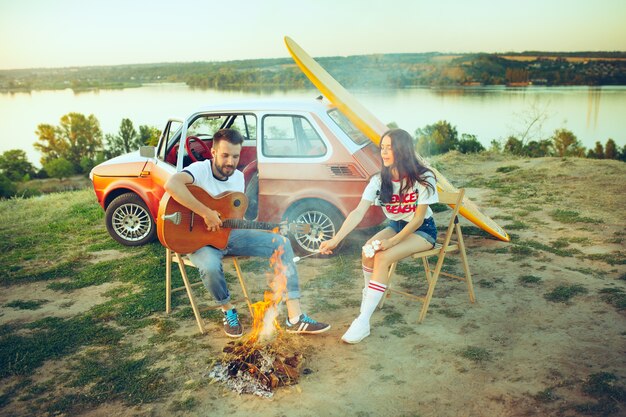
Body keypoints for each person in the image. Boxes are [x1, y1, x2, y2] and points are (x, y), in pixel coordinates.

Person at [164, 128, 330, 338]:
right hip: (198, 240)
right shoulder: (199, 170)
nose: (230, 162)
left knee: (281, 242)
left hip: (228, 235)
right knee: (210, 266)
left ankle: (295, 317)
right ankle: (227, 310)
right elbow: (172, 185)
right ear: (213, 152)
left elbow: (234, 218)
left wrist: (265, 226)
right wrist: (205, 212)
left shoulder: (238, 178)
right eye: (225, 155)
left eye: (235, 156)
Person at [319, 129, 438, 344]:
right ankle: (372, 295)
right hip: (396, 225)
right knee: (367, 250)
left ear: (402, 150)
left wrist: (391, 243)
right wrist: (335, 239)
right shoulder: (378, 180)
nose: (384, 152)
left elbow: (418, 220)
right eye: (382, 147)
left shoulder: (423, 177)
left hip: (422, 231)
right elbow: (357, 212)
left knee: (382, 256)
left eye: (389, 147)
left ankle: (363, 320)